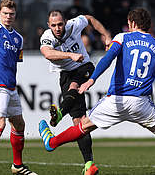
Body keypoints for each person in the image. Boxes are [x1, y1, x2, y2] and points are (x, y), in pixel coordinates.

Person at [39, 8, 155, 175]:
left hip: (116, 101)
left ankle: (52, 142)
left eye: (129, 23)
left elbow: (107, 60)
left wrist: (91, 80)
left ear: (133, 23)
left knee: (83, 126)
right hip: (141, 103)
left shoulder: (122, 38)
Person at [39, 10, 111, 175]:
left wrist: (106, 35)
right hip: (65, 74)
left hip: (84, 67)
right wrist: (70, 55)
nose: (57, 28)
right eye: (54, 25)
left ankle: (59, 113)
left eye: (60, 24)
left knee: (74, 87)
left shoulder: (74, 24)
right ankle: (89, 165)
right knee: (79, 122)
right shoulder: (47, 36)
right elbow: (47, 53)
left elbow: (90, 19)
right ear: (49, 26)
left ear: (65, 22)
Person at [0, 0, 37, 175]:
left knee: (19, 124)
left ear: (15, 15)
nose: (8, 16)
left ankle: (17, 166)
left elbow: (15, 62)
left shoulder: (18, 38)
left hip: (11, 87)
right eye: (5, 13)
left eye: (11, 14)